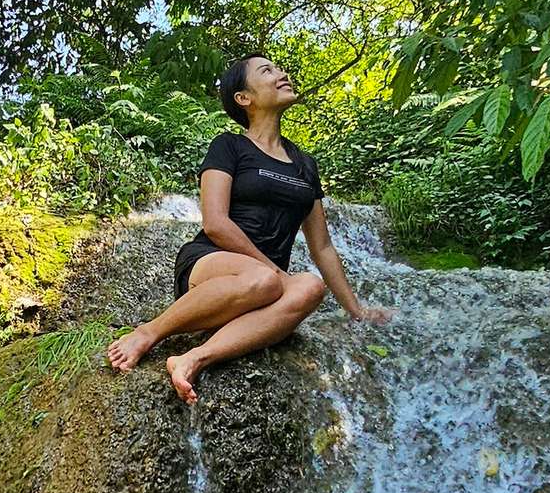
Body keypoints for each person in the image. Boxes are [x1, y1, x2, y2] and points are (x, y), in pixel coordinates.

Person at [107, 54, 395, 405]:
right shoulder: (229, 146)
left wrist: (356, 311)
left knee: (309, 288)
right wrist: (273, 271)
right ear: (244, 98)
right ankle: (148, 333)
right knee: (267, 280)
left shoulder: (305, 165)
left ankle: (194, 358)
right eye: (267, 71)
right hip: (212, 264)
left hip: (267, 287)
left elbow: (322, 247)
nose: (281, 73)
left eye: (278, 68)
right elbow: (215, 223)